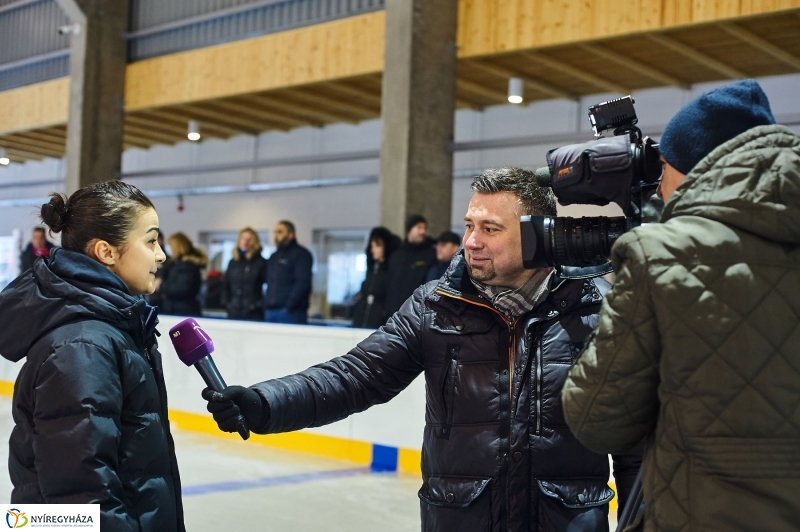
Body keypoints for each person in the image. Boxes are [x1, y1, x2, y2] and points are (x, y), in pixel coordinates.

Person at [202, 168, 640, 531]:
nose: (471, 241)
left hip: (565, 521)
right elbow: (355, 376)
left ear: (539, 236)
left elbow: (633, 439)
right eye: (470, 225)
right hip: (460, 516)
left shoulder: (597, 311)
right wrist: (265, 403)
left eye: (490, 229)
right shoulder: (435, 306)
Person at [561, 79, 800, 531]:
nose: (658, 187)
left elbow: (596, 421)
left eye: (664, 168)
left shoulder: (662, 254)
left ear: (689, 167)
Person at [0, 181, 184, 531]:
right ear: (106, 252)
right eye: (150, 240)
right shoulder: (82, 346)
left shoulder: (112, 326)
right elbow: (80, 496)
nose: (161, 255)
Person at [383, 214, 436, 316]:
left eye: (425, 228)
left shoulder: (430, 255)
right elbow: (389, 285)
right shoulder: (397, 255)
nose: (423, 232)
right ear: (409, 230)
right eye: (419, 227)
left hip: (417, 317)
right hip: (394, 315)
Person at [264, 220, 313, 324]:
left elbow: (303, 283)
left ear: (290, 234)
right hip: (271, 311)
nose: (276, 235)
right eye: (275, 232)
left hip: (291, 313)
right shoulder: (273, 257)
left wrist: (289, 306)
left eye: (280, 232)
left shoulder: (301, 254)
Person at [351, 226, 401, 328]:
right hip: (363, 319)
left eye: (377, 246)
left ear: (385, 247)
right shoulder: (372, 271)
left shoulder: (390, 272)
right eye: (372, 246)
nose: (373, 250)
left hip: (379, 321)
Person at [224, 227, 268, 321]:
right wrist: (227, 304)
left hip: (253, 314)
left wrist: (257, 305)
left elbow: (270, 286)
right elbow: (225, 285)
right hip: (233, 312)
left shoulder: (261, 263)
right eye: (243, 238)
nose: (246, 242)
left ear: (255, 242)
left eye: (249, 239)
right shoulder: (233, 262)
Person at [160, 231, 207, 317]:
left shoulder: (187, 266)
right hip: (179, 309)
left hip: (182, 311)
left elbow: (181, 289)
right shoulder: (178, 264)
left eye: (171, 246)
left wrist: (161, 285)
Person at [147, 229, 170, 308]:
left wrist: (161, 283)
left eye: (157, 240)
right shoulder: (145, 258)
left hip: (161, 298)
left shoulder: (168, 260)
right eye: (152, 241)